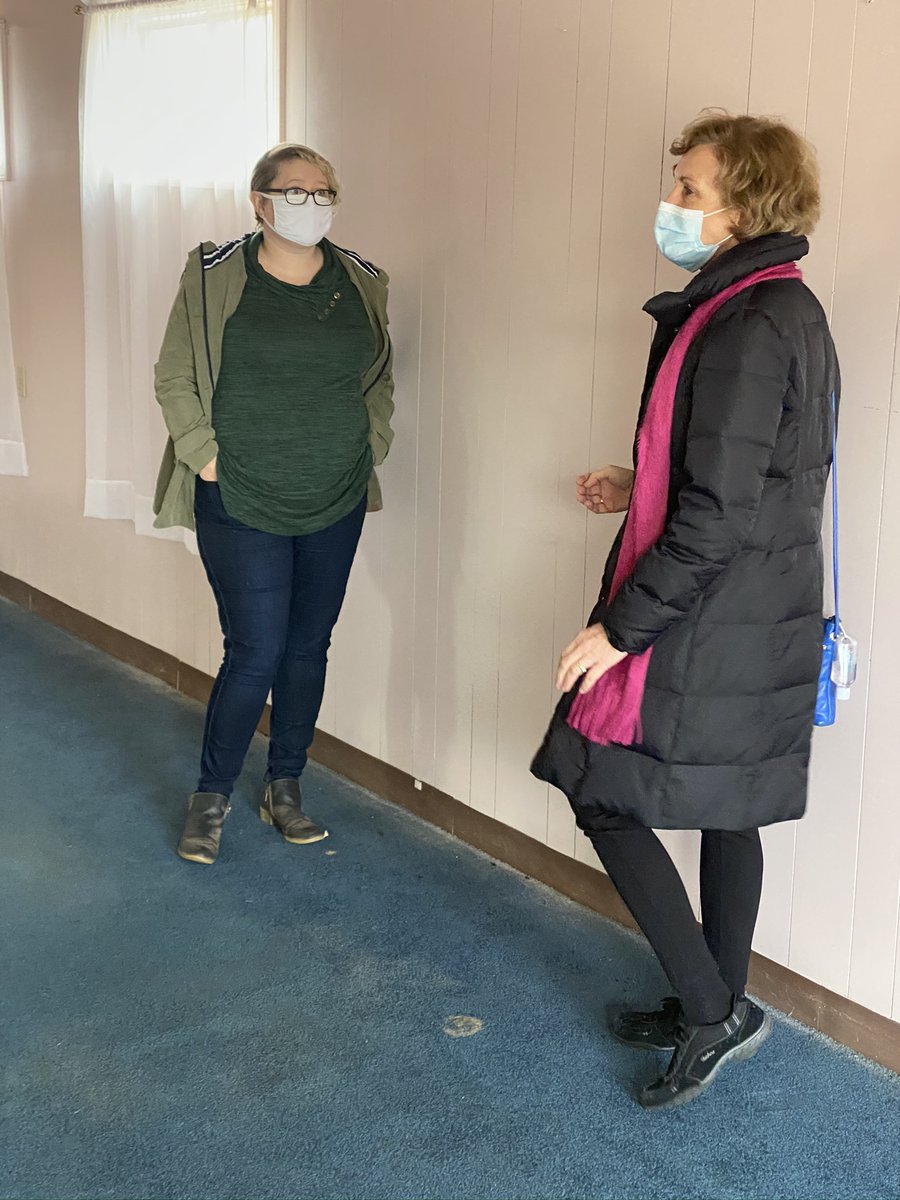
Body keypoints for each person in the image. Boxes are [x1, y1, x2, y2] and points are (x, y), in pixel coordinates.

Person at [532, 112, 838, 1110]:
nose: (672, 203)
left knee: (601, 790)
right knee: (727, 804)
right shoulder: (776, 304)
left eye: (690, 189)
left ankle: (712, 1013)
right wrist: (641, 484)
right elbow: (752, 474)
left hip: (710, 615)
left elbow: (716, 513)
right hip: (755, 607)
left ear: (744, 207)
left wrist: (620, 630)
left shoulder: (749, 323)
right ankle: (715, 998)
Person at [152, 143, 394, 866]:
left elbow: (378, 376)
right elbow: (174, 375)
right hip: (240, 494)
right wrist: (206, 456)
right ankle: (211, 796)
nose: (309, 204)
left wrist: (371, 444)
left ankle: (284, 785)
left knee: (308, 646)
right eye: (294, 191)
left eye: (323, 192)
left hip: (335, 492)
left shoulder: (363, 281)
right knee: (255, 650)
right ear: (260, 201)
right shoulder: (213, 274)